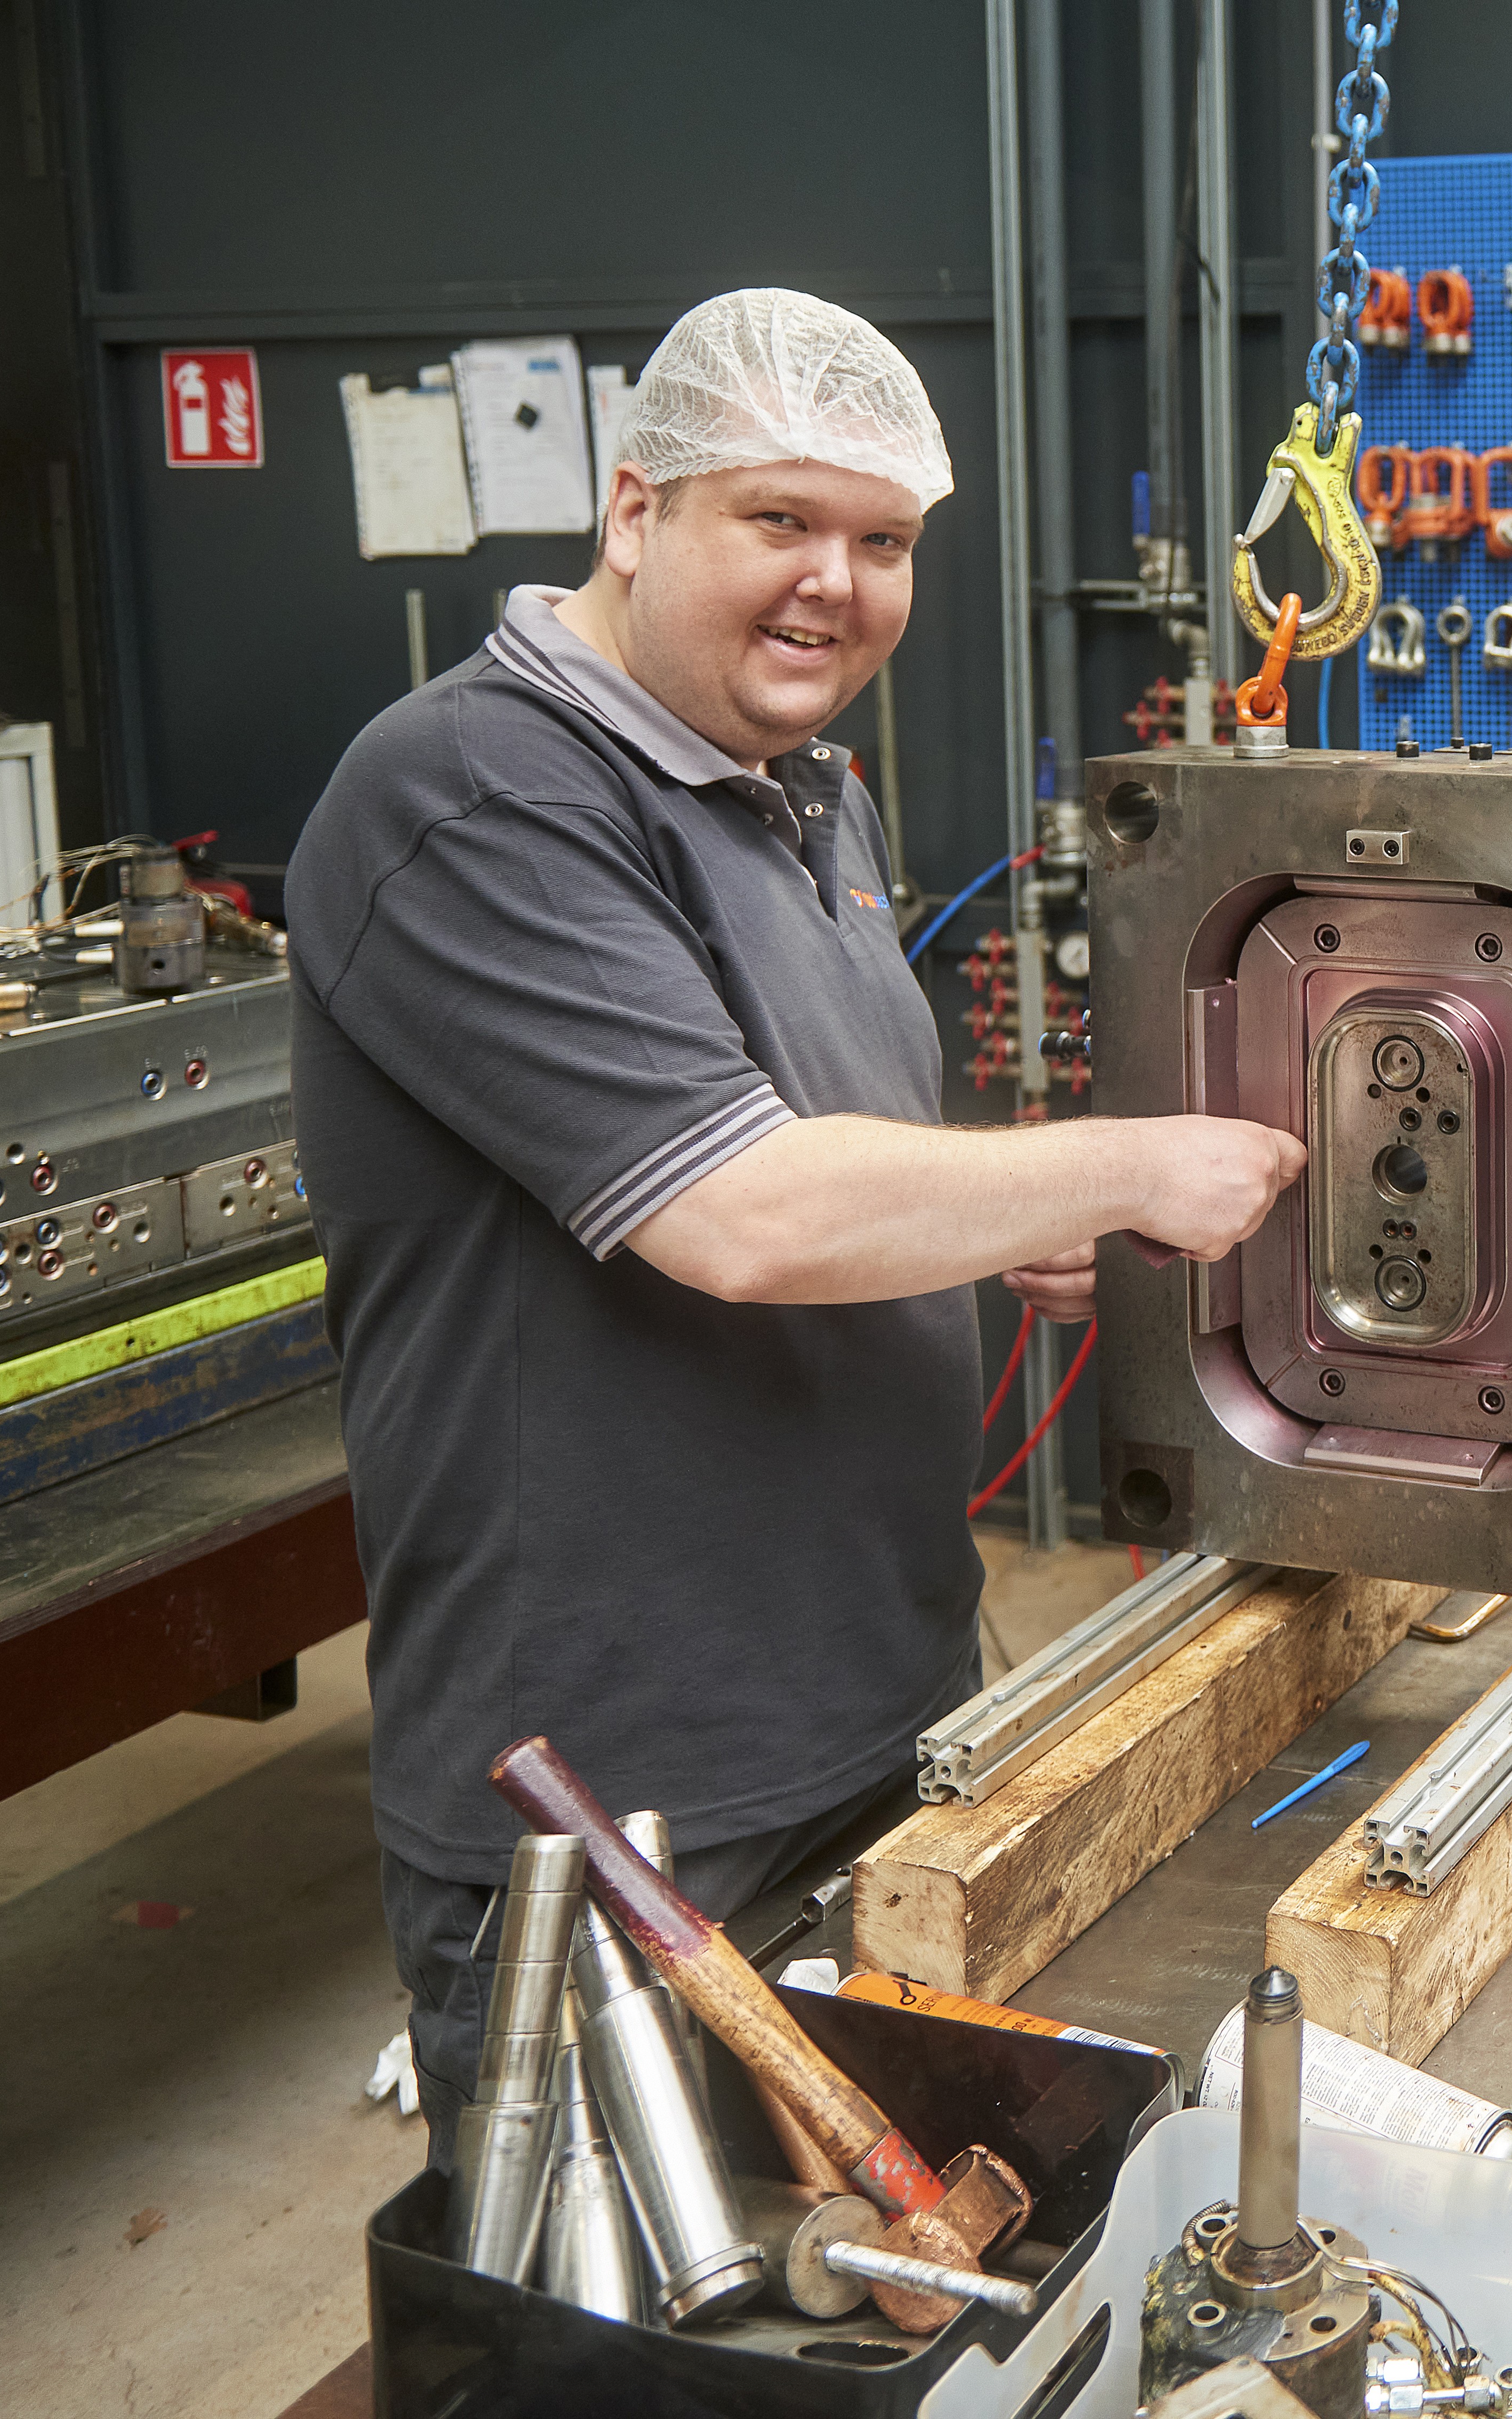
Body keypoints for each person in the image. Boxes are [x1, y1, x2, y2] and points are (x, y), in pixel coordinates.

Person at [287, 290, 1308, 2165]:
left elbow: (824, 1152)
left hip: (890, 1715)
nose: (835, 586)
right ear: (633, 510)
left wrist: (989, 1222)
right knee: (639, 2349)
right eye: (781, 520)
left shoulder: (798, 792)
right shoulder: (472, 790)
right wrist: (1123, 1167)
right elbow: (738, 1214)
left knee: (902, 2300)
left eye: (887, 541)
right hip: (619, 1801)